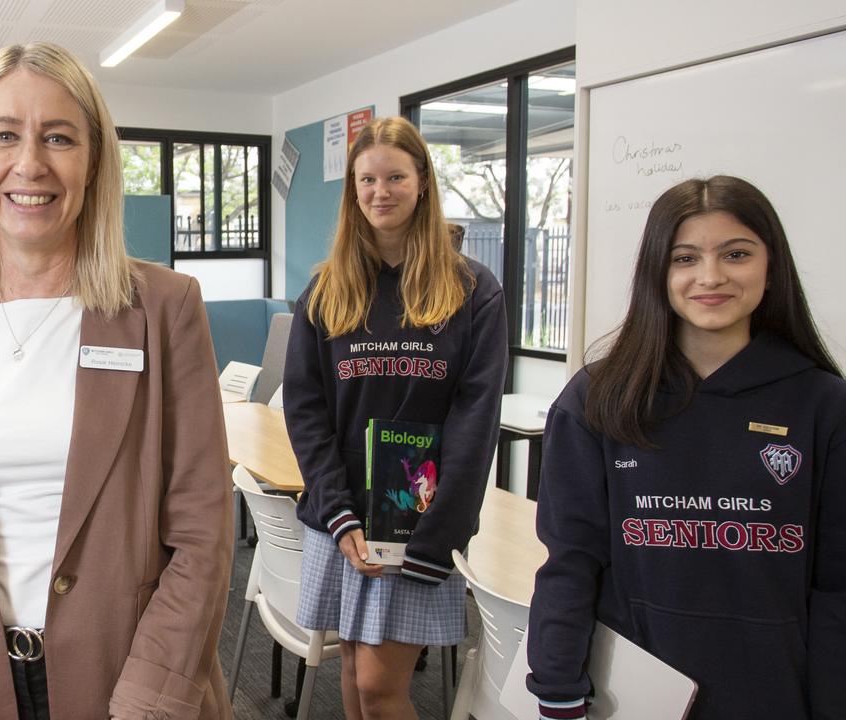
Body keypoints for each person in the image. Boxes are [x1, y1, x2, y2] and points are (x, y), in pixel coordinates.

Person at [0, 42, 233, 720]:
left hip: (130, 678)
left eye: (58, 137)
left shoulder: (164, 310)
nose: (29, 164)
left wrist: (148, 700)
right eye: (4, 135)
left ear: (93, 162)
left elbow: (204, 529)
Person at [527, 176, 846, 720]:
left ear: (772, 269)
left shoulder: (822, 404)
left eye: (736, 254)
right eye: (685, 258)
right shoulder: (598, 399)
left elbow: (836, 587)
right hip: (631, 691)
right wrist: (558, 688)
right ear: (659, 272)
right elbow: (571, 559)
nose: (711, 276)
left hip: (774, 694)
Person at [283, 116, 508, 720]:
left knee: (382, 690)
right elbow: (305, 411)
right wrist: (338, 512)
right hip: (343, 520)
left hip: (417, 524)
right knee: (355, 677)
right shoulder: (326, 292)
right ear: (353, 192)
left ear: (423, 182)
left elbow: (475, 420)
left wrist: (439, 533)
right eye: (367, 180)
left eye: (395, 177)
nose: (381, 191)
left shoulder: (471, 290)